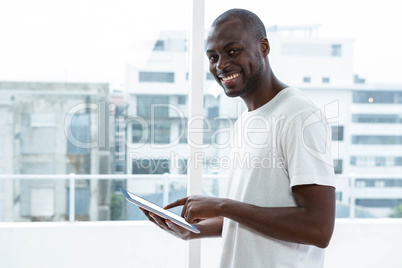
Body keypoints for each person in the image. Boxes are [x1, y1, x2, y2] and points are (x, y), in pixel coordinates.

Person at [141, 8, 336, 268]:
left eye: (233, 51)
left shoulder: (299, 114)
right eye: (213, 56)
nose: (221, 64)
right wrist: (195, 229)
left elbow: (318, 229)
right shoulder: (246, 120)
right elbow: (254, 214)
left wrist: (222, 205)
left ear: (263, 47)